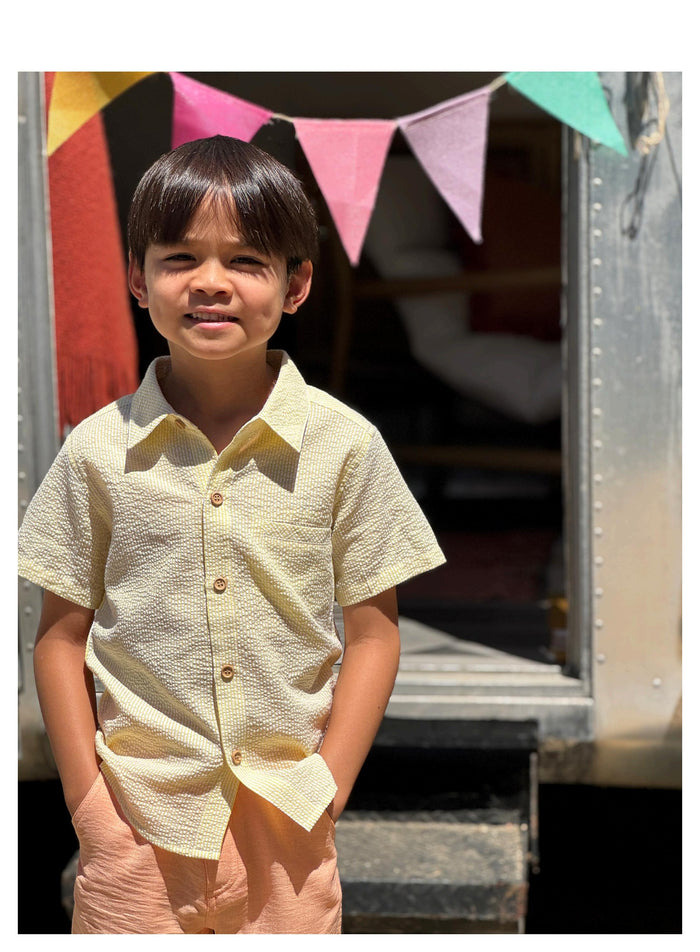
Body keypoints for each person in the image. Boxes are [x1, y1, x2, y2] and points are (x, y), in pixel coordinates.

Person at [18, 135, 446, 935]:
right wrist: (92, 813)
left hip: (286, 826)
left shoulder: (344, 445)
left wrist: (328, 786)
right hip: (136, 823)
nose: (210, 283)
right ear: (137, 282)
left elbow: (374, 634)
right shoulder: (95, 449)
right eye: (180, 257)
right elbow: (57, 640)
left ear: (295, 286)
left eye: (246, 261)